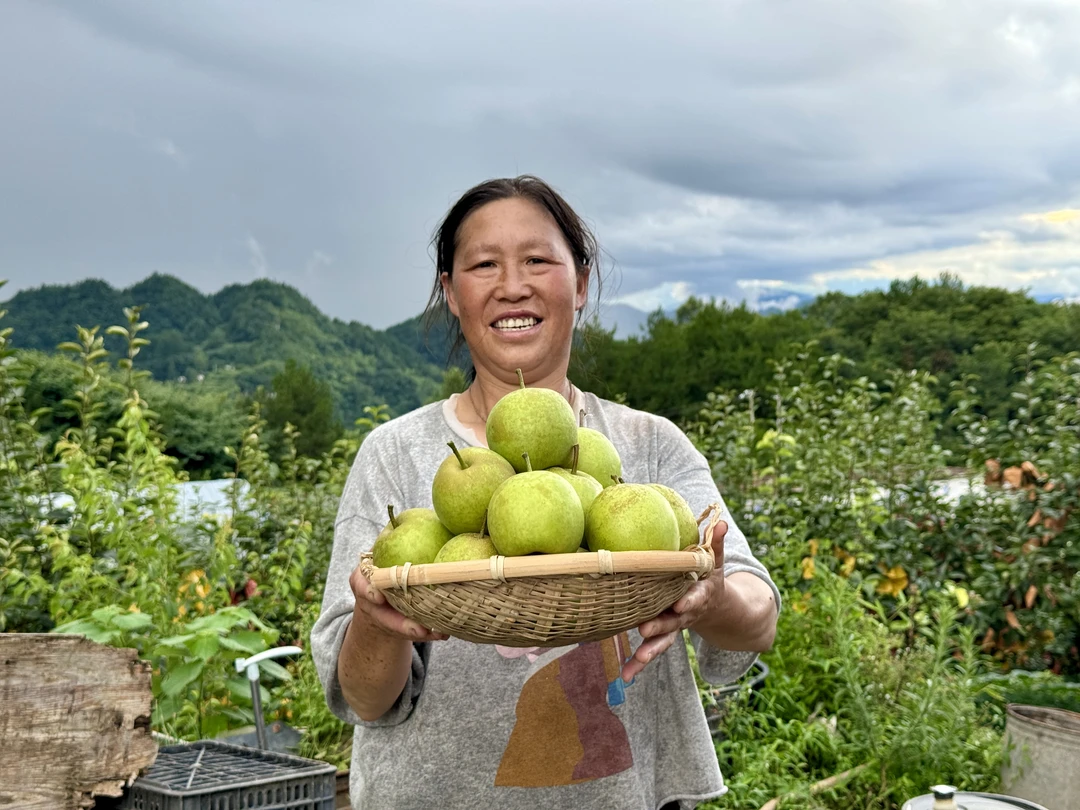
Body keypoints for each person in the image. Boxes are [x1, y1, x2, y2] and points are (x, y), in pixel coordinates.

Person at [311, 175, 780, 810]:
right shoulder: (392, 455)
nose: (513, 285)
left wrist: (710, 594)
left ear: (581, 282)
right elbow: (364, 698)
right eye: (483, 265)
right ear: (450, 292)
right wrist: (377, 621)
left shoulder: (647, 447)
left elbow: (758, 616)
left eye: (537, 259)